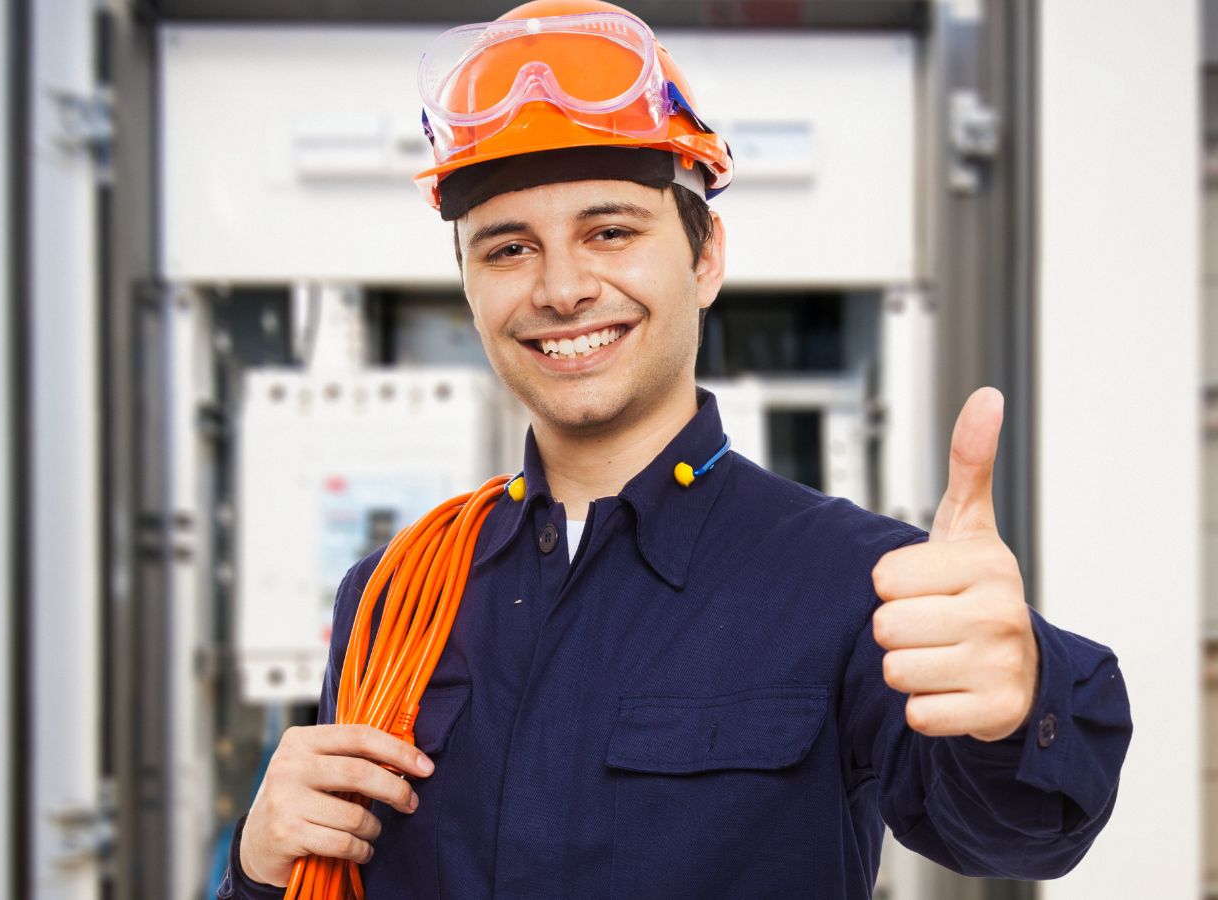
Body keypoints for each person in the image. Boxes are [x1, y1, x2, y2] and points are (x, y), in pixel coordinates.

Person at [218, 2, 1132, 897]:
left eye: (609, 230)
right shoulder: (391, 595)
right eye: (507, 249)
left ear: (704, 259)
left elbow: (1015, 830)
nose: (562, 288)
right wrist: (259, 872)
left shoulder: (866, 585)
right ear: (470, 286)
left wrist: (1021, 705)